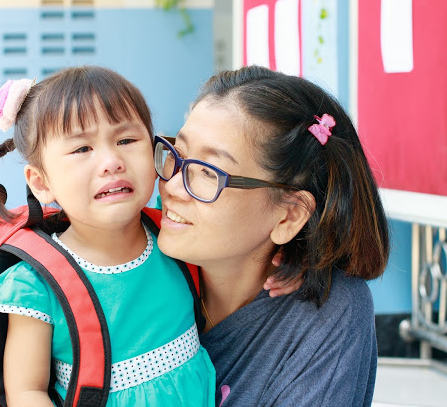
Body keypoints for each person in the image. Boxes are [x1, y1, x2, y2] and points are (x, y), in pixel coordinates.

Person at [0, 66, 218, 406]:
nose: (111, 161)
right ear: (41, 182)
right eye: (82, 149)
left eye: (126, 140)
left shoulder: (176, 233)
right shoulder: (36, 285)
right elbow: (26, 391)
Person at [155, 65, 390, 406]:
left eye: (207, 171)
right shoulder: (134, 265)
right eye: (179, 153)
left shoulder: (326, 311)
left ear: (289, 214)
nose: (172, 187)